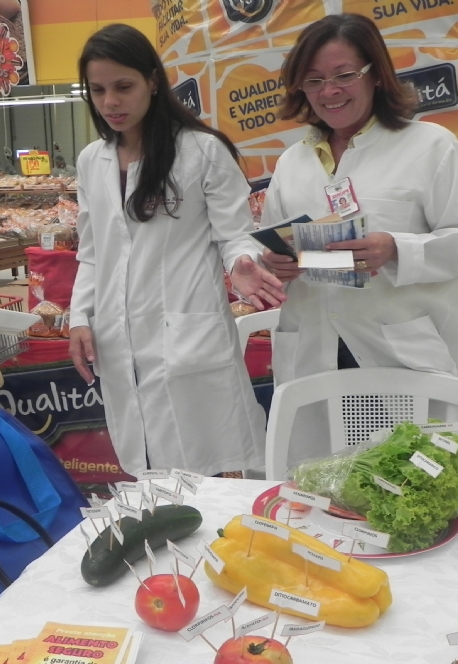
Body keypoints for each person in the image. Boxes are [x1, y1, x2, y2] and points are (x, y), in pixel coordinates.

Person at [259, 13, 458, 466]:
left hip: (395, 347)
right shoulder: (293, 161)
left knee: (405, 480)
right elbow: (273, 244)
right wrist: (275, 264)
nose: (330, 91)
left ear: (376, 75)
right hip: (312, 347)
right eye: (314, 81)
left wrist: (397, 249)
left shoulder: (429, 145)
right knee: (318, 480)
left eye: (344, 75)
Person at [67, 23, 286, 477]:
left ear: (152, 80)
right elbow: (92, 252)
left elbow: (234, 234)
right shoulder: (92, 160)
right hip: (117, 338)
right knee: (146, 468)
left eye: (123, 87)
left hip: (187, 331)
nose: (110, 102)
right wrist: (79, 318)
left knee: (208, 470)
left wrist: (241, 263)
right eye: (98, 90)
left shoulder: (201, 151)